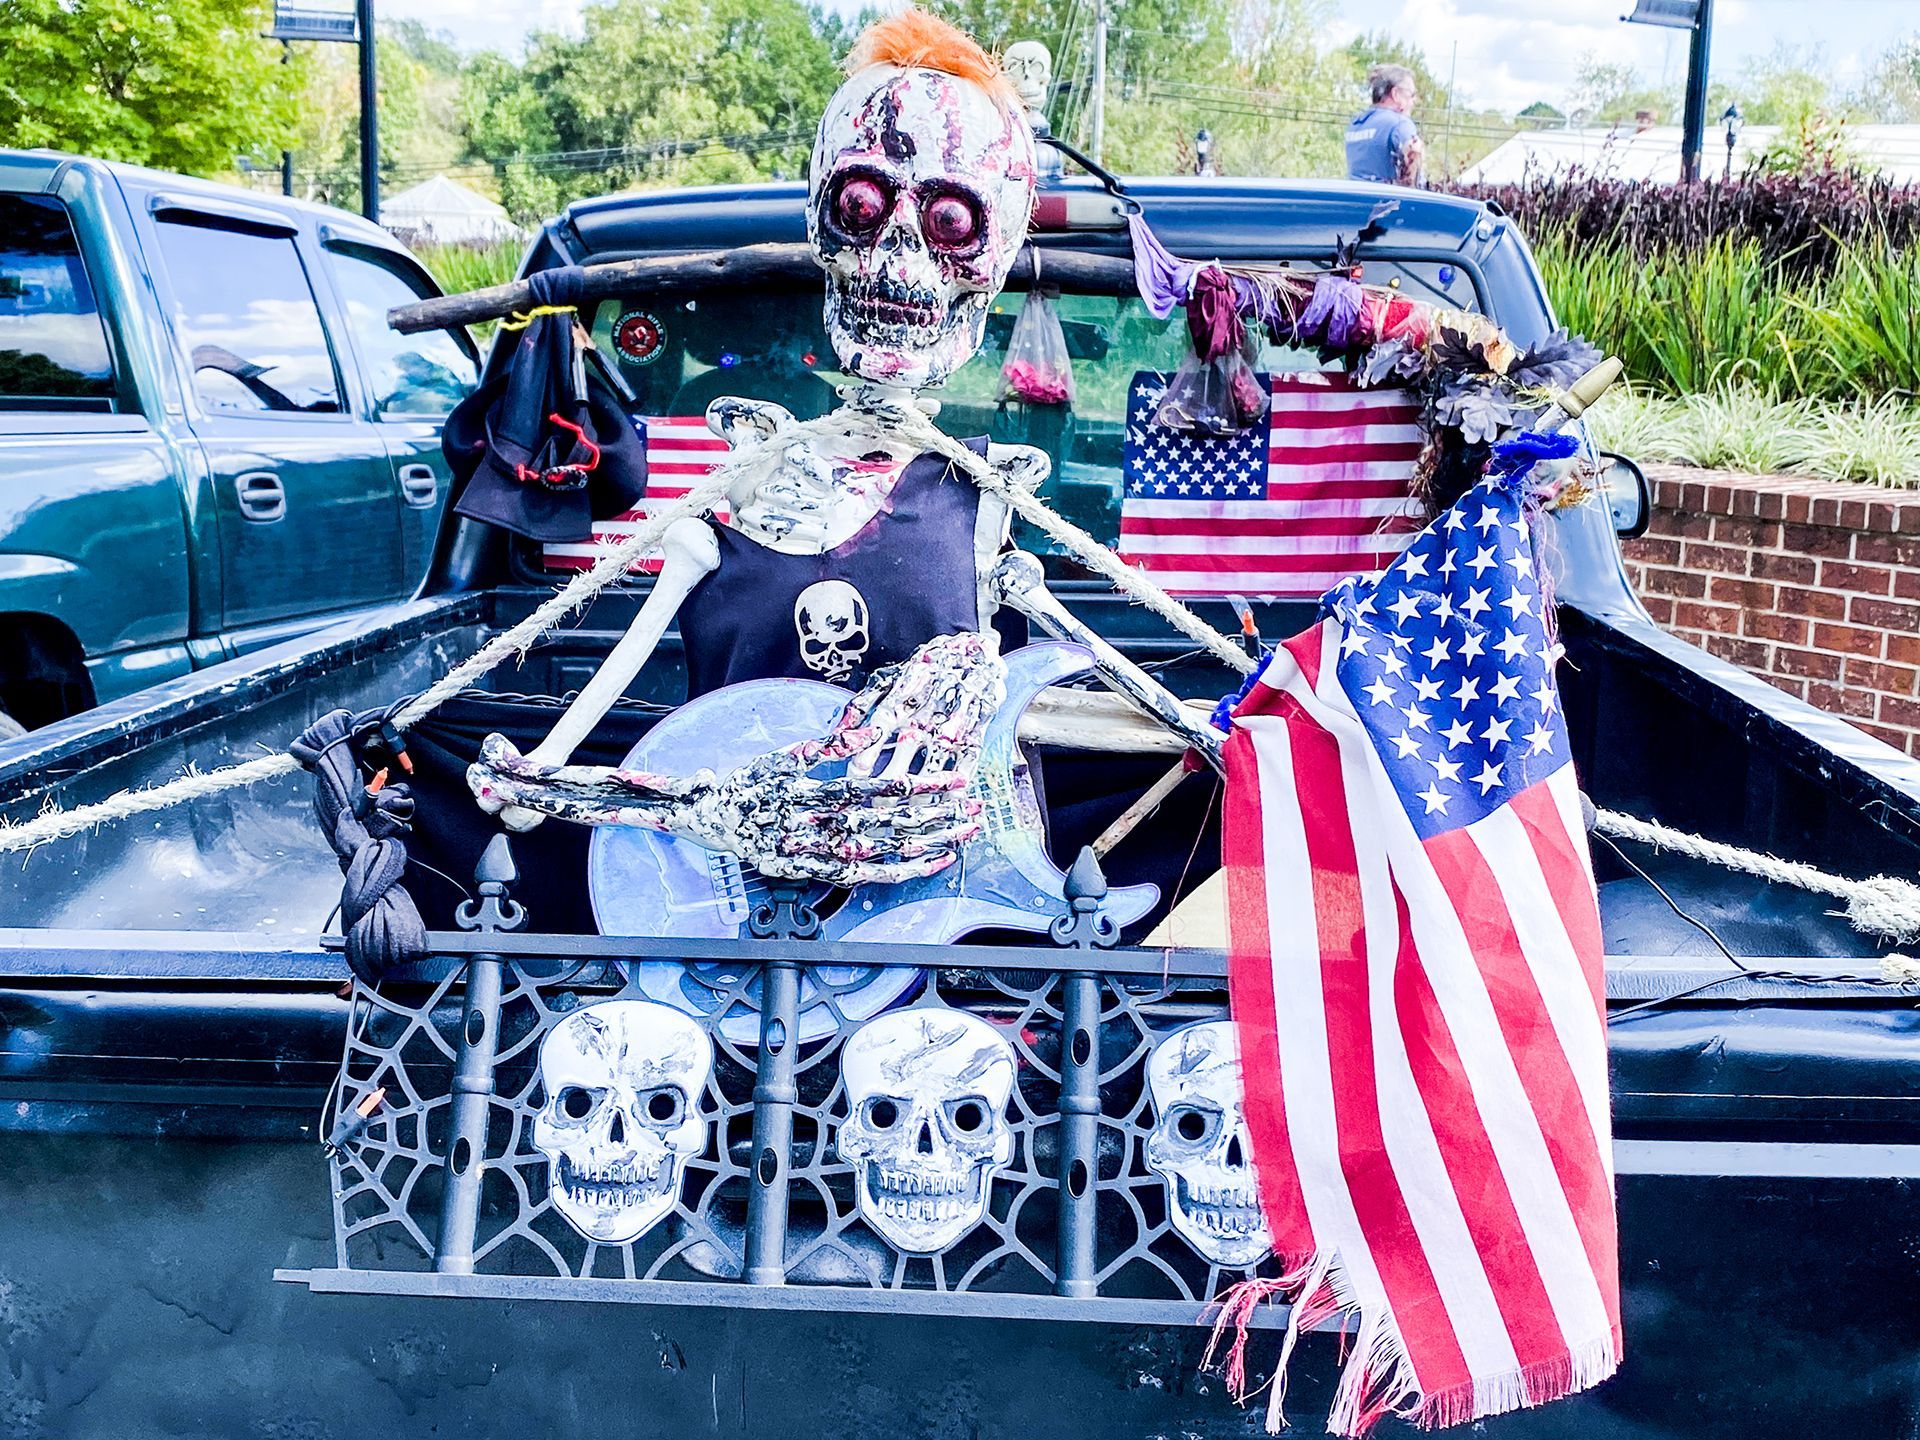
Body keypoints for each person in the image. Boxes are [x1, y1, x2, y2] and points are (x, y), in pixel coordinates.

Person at [1346, 63, 1425, 186]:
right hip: (1386, 203)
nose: (1414, 101)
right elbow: (1413, 160)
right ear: (1395, 94)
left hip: (1355, 200)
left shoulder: (1355, 124)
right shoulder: (1399, 124)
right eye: (1412, 95)